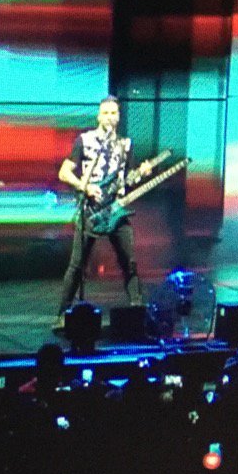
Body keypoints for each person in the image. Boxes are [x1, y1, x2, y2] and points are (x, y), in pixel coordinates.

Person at [55, 96, 153, 328]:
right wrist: (85, 186)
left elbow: (128, 179)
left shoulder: (126, 144)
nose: (110, 117)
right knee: (77, 265)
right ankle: (62, 315)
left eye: (114, 113)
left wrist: (141, 173)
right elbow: (64, 172)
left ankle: (138, 311)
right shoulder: (85, 140)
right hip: (91, 209)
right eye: (106, 113)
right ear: (99, 116)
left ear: (119, 117)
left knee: (129, 262)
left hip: (116, 210)